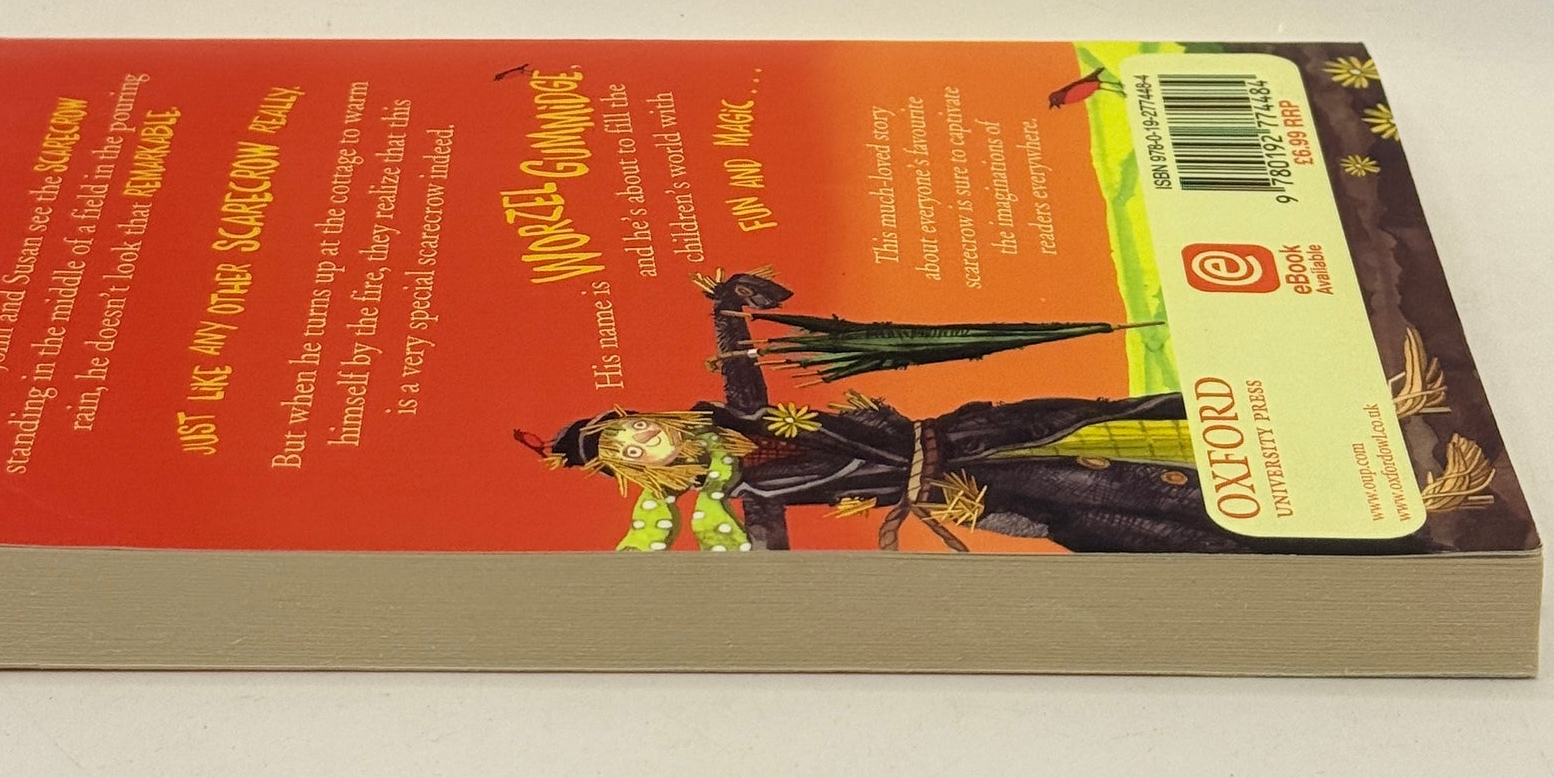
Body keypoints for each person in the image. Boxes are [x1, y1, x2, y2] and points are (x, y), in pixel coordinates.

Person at [518, 272, 1254, 554]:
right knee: (1117, 511)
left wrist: (729, 308)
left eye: (629, 426)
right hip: (968, 491)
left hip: (967, 432)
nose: (640, 437)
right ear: (641, 473)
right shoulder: (745, 497)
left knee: (1114, 415)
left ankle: (1266, 407)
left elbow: (743, 368)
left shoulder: (739, 420)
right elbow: (767, 560)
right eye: (628, 450)